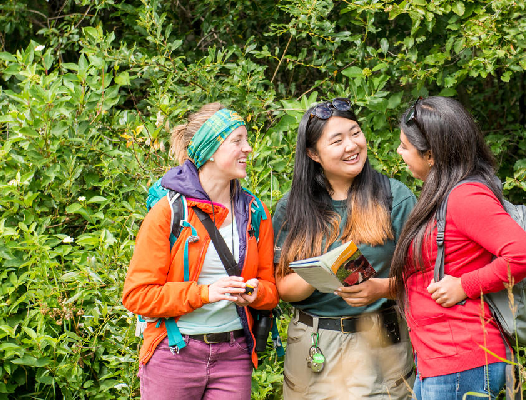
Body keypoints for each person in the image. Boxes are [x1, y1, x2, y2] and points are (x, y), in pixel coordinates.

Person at [389, 96, 526, 400]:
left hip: (462, 359)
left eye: (405, 146)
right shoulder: (439, 194)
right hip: (440, 360)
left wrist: (464, 285)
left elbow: (525, 255)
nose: (399, 152)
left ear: (431, 155)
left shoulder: (465, 196)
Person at [123, 103, 279, 400]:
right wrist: (206, 293)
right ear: (209, 148)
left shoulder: (255, 212)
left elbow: (271, 290)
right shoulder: (168, 213)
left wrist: (255, 295)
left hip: (234, 356)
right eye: (237, 140)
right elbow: (137, 295)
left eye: (247, 139)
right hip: (174, 352)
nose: (248, 149)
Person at [272, 98, 418, 399]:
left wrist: (381, 288)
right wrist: (318, 272)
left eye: (355, 133)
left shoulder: (395, 198)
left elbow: (425, 280)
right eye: (337, 140)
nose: (351, 146)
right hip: (313, 347)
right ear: (313, 153)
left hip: (381, 343)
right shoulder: (293, 207)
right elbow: (281, 287)